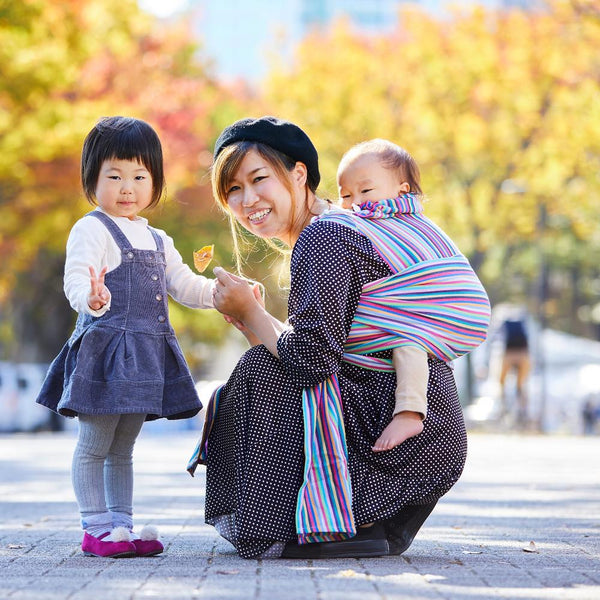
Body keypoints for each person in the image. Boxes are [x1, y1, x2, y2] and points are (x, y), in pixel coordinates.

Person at [187, 116, 481, 560]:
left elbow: (309, 362)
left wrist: (251, 312)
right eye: (232, 190)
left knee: (257, 371)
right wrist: (253, 322)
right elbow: (325, 357)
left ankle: (324, 522)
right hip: (417, 440)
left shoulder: (326, 235)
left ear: (299, 174)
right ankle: (345, 525)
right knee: (266, 364)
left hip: (391, 448)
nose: (247, 200)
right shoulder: (347, 228)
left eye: (258, 179)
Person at [36, 116, 215, 558]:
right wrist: (92, 297)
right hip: (107, 351)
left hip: (146, 354)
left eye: (139, 176)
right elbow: (76, 278)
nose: (127, 187)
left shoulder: (159, 238)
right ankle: (95, 529)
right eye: (114, 176)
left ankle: (123, 526)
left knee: (124, 448)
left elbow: (185, 284)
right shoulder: (92, 228)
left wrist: (223, 295)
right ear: (92, 179)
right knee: (95, 443)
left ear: (155, 182)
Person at [336, 139, 490, 451]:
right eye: (345, 195)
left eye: (366, 191)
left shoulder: (404, 221)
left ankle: (409, 412)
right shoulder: (368, 225)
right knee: (405, 337)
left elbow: (439, 263)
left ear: (402, 191)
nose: (355, 202)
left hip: (441, 308)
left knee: (408, 343)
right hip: (414, 309)